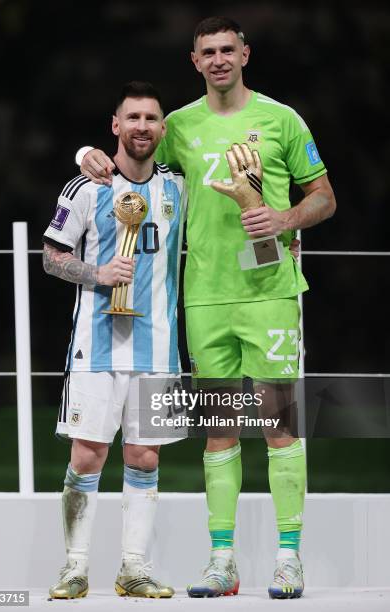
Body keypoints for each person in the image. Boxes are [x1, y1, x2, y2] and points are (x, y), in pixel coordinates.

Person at [78, 16, 336, 600]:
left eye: (227, 49)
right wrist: (88, 153)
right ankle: (223, 562)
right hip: (204, 295)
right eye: (207, 52)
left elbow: (323, 195)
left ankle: (289, 559)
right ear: (194, 62)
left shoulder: (281, 120)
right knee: (219, 432)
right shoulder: (180, 127)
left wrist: (286, 218)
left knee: (278, 427)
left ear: (245, 53)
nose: (218, 59)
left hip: (270, 291)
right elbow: (132, 154)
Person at [42, 81, 187, 599]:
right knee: (88, 455)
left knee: (145, 458)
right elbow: (51, 257)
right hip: (96, 344)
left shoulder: (178, 187)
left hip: (158, 347)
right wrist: (96, 273)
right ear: (115, 125)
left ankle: (134, 568)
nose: (142, 127)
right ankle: (75, 567)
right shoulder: (84, 188)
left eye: (151, 119)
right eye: (133, 118)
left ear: (162, 129)